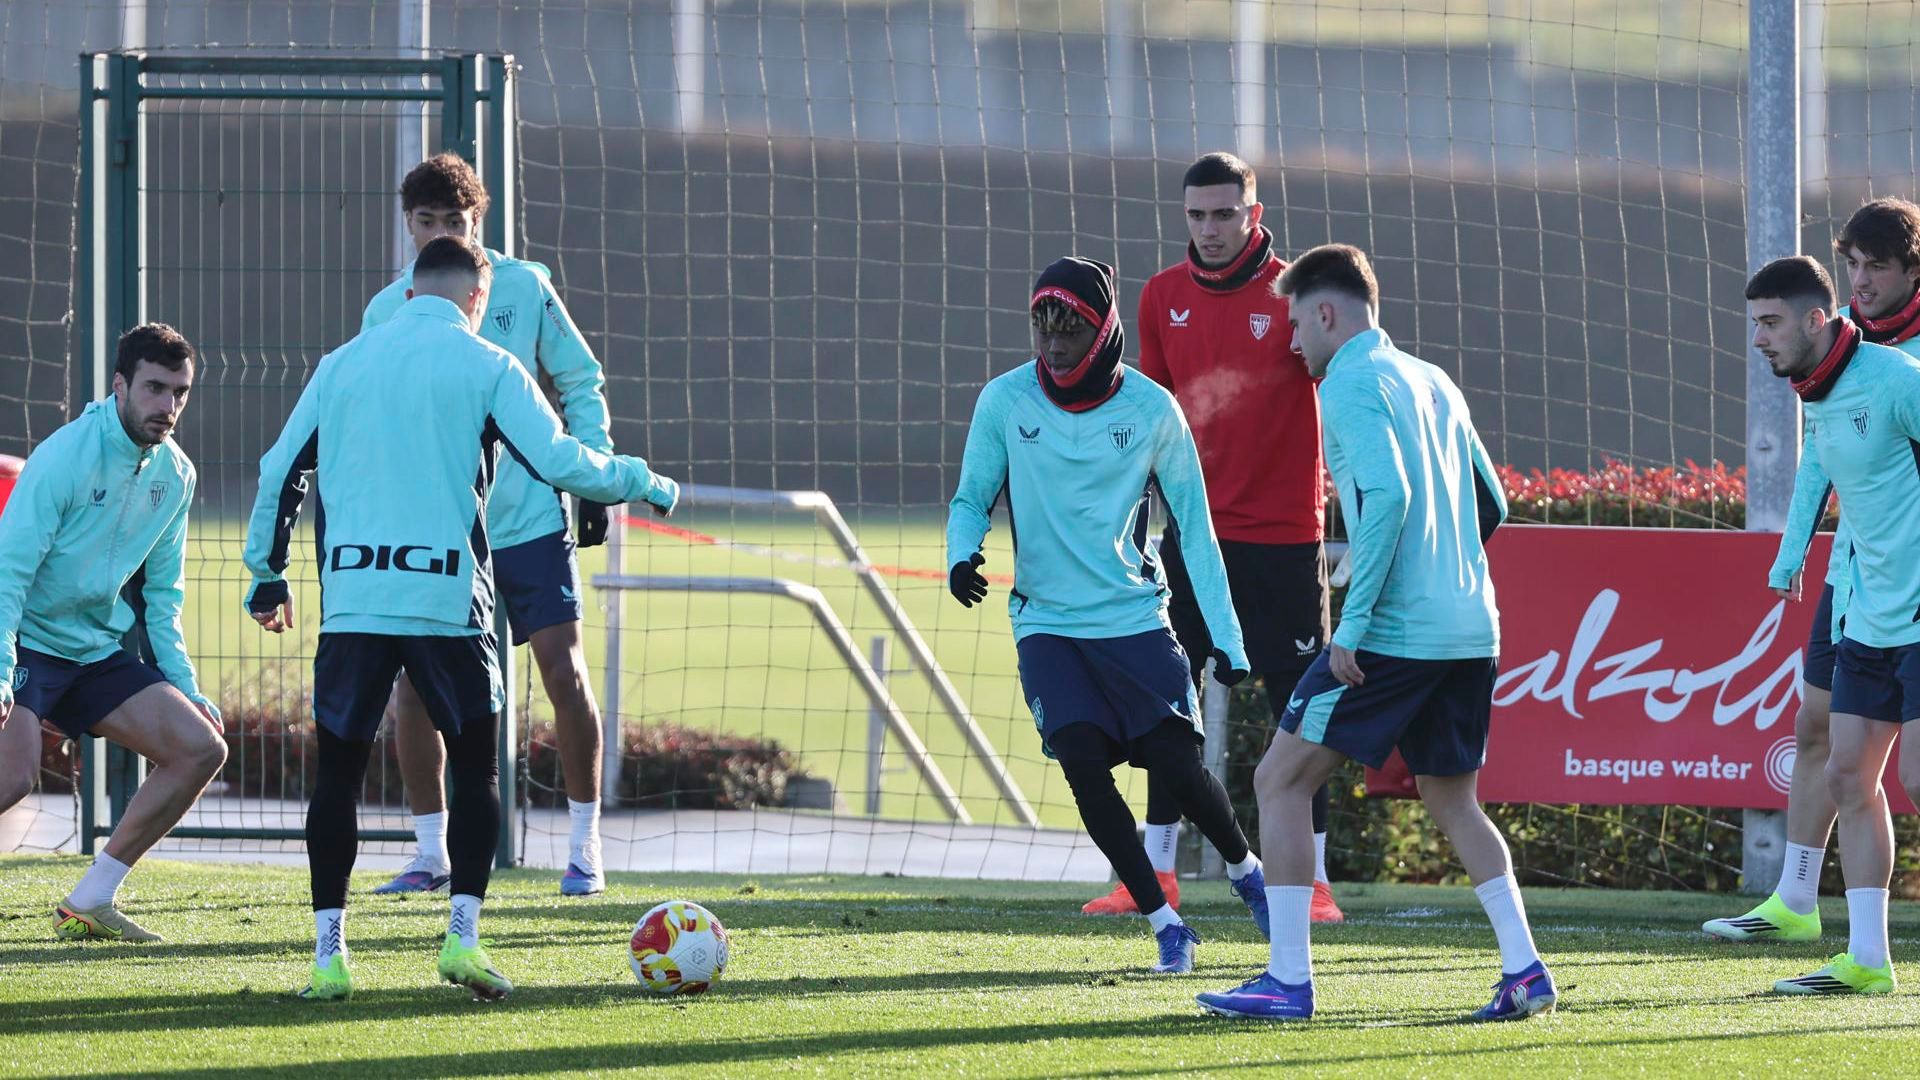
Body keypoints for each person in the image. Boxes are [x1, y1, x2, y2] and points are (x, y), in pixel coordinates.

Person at [244, 237, 680, 1002]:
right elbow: (564, 462)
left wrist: (266, 572)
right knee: (476, 770)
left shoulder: (342, 363)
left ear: (411, 293)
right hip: (445, 600)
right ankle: (462, 942)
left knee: (339, 777)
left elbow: (280, 468)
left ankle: (328, 958)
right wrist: (641, 480)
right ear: (479, 301)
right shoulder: (487, 363)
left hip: (353, 601)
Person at [1197, 244, 1555, 1022]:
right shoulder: (1434, 380)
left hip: (1395, 632)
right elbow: (1489, 502)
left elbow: (1387, 499)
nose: (1292, 343)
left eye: (1296, 323)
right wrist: (1443, 571)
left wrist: (1353, 625)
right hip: (1470, 627)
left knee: (1278, 781)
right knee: (1452, 798)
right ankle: (1526, 971)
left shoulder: (1349, 383)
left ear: (1326, 313)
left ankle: (1287, 981)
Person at [947, 255, 1269, 975]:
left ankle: (1248, 875)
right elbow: (971, 498)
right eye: (1043, 328)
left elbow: (1196, 526)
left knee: (1178, 769)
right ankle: (1165, 924)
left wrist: (1227, 638)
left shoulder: (1153, 410)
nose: (1054, 346)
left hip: (1134, 619)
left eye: (1070, 330)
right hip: (1047, 624)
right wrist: (961, 555)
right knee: (1083, 764)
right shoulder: (1004, 402)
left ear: (1104, 330)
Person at [1089, 151, 1340, 923]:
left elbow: (1342, 393)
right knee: (1169, 706)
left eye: (1225, 214)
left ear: (1253, 214)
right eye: (1197, 215)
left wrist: (1348, 519)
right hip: (1192, 541)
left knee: (1304, 708)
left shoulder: (1301, 292)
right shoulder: (1162, 296)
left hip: (1285, 540)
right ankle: (1155, 875)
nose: (1210, 229)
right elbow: (1153, 422)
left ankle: (1318, 883)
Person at [364, 153, 619, 897]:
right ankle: (431, 855)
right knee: (414, 689)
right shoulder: (388, 308)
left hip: (529, 520)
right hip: (439, 532)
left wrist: (592, 471)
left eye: (458, 220)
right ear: (408, 223)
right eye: (429, 220)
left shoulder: (525, 286)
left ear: (482, 221)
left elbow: (578, 376)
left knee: (563, 673)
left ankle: (583, 850)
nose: (443, 231)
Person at [1706, 196, 1920, 945]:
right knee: (1815, 728)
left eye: (1877, 267)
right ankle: (1795, 900)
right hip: (1856, 578)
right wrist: (1795, 552)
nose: (1860, 280)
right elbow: (1824, 456)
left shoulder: (1901, 371)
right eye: (1851, 265)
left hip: (1905, 582)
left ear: (1912, 272)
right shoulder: (1837, 352)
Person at [0, 324, 228, 942]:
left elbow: (163, 599)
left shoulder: (176, 475)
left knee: (201, 747)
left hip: (96, 653)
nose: (168, 406)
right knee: (12, 779)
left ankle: (89, 902)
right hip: (26, 641)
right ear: (120, 385)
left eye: (180, 393)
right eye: (155, 389)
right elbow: (9, 571)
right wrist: (0, 672)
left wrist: (186, 687)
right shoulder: (64, 456)